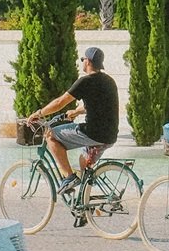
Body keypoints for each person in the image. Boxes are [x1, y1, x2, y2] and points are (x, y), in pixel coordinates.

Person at [27, 47, 119, 195]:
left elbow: (60, 103)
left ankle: (69, 177)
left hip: (93, 133)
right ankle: (84, 201)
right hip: (110, 135)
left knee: (50, 135)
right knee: (84, 161)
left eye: (83, 59)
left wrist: (39, 113)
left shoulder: (85, 81)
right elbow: (98, 105)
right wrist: (76, 111)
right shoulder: (109, 81)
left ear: (88, 61)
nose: (82, 62)